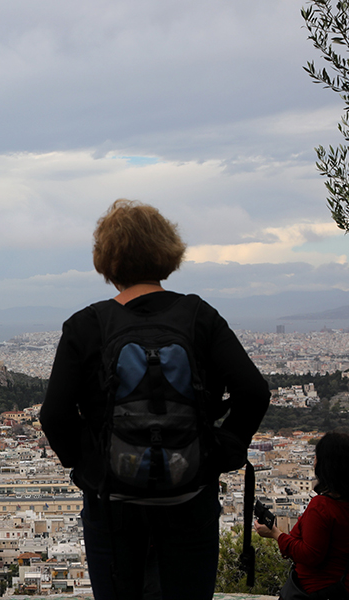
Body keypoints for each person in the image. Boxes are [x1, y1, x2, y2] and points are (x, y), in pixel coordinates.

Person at [39, 199, 270, 600]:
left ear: (106, 261)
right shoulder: (200, 316)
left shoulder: (85, 325)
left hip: (112, 504)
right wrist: (218, 452)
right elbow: (254, 392)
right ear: (168, 252)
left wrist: (93, 463)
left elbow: (54, 415)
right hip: (190, 496)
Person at [256, 431, 349, 597]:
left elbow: (310, 555)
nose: (313, 462)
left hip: (316, 589)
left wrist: (275, 534)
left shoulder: (322, 506)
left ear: (326, 465)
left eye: (316, 457)